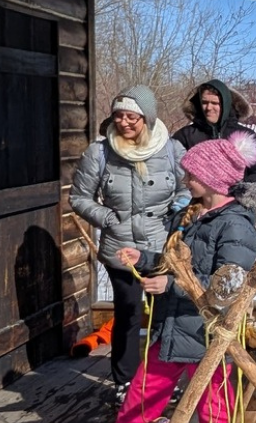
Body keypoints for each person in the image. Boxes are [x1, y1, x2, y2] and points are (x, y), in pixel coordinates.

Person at [79, 130, 256, 423]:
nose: (185, 179)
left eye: (192, 174)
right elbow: (172, 262)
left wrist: (171, 287)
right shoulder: (189, 214)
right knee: (140, 400)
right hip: (172, 328)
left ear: (213, 179)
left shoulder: (236, 225)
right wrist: (144, 260)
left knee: (218, 412)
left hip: (209, 336)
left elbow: (227, 287)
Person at [70, 85, 186, 402]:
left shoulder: (171, 149)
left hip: (163, 249)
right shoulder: (100, 152)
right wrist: (107, 218)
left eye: (131, 116)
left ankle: (164, 377)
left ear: (146, 118)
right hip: (120, 248)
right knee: (129, 313)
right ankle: (125, 380)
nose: (124, 122)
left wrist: (177, 213)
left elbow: (188, 188)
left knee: (166, 315)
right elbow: (79, 198)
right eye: (118, 115)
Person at [173, 79, 256, 199]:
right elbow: (172, 172)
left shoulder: (245, 136)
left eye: (215, 103)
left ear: (225, 105)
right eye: (204, 102)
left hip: (235, 207)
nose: (208, 108)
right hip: (195, 207)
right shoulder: (185, 136)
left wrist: (239, 196)